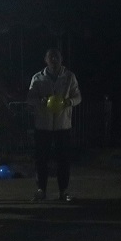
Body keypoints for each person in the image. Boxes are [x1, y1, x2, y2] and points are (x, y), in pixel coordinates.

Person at [27, 49, 82, 202]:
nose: (53, 59)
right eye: (50, 57)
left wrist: (69, 102)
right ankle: (41, 190)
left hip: (62, 125)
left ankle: (63, 191)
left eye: (56, 57)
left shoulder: (69, 76)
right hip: (42, 125)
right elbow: (30, 98)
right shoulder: (37, 77)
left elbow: (78, 96)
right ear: (45, 60)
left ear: (61, 59)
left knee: (63, 160)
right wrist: (41, 101)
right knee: (41, 159)